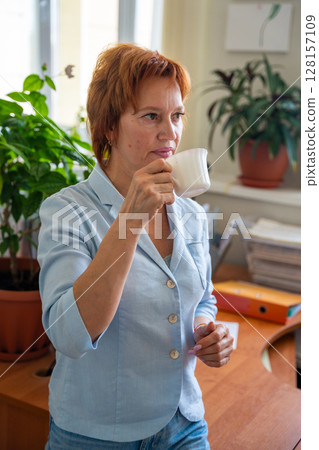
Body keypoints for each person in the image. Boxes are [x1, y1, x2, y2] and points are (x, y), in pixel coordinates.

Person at [38, 43, 233, 449]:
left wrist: (205, 329)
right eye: (151, 116)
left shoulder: (191, 214)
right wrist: (129, 221)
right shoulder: (66, 211)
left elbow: (202, 299)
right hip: (96, 437)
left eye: (177, 115)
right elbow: (70, 336)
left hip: (185, 423)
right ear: (109, 126)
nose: (171, 133)